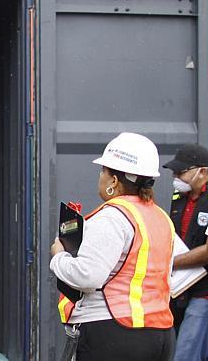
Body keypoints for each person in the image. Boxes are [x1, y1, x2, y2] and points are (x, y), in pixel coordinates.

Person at [51, 132, 176, 361]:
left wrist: (59, 256)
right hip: (160, 334)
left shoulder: (112, 217)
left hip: (112, 333)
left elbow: (87, 276)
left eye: (103, 171)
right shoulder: (160, 217)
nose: (100, 176)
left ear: (114, 181)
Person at [163, 144, 208, 361]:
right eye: (174, 172)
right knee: (200, 353)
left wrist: (172, 263)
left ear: (203, 171)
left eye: (181, 172)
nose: (176, 177)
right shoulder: (179, 198)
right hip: (181, 288)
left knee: (185, 354)